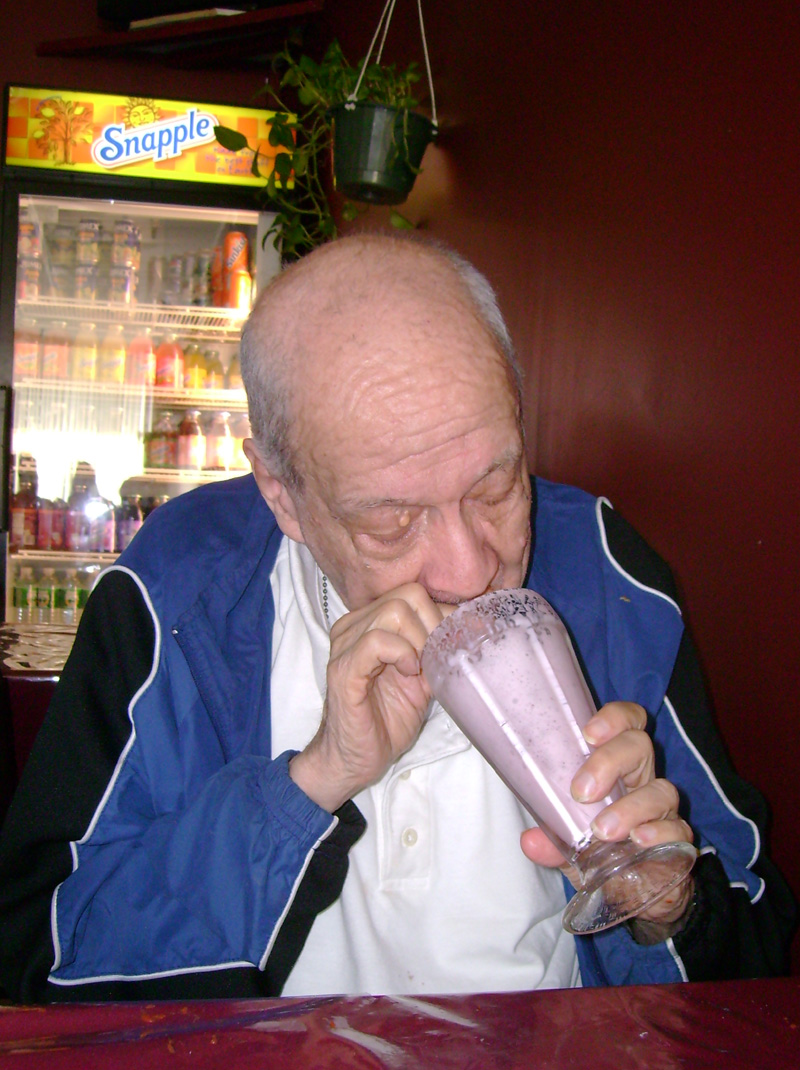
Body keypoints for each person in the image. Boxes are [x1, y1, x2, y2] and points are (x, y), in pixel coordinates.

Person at [0, 235, 794, 1002]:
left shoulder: (606, 572)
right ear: (285, 497)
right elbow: (37, 955)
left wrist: (669, 906)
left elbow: (756, 951)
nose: (471, 568)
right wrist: (312, 784)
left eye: (495, 488)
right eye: (391, 524)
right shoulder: (174, 587)